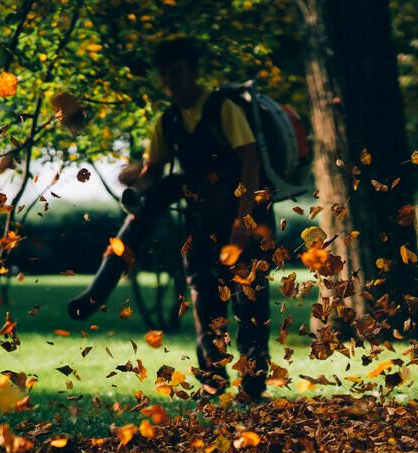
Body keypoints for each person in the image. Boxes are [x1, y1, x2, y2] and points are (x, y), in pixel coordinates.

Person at [67, 37, 273, 401]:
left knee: (248, 301)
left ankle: (253, 386)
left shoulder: (223, 108)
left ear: (193, 71)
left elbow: (250, 162)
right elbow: (152, 174)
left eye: (175, 73)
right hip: (201, 224)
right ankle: (213, 382)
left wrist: (245, 222)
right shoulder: (168, 121)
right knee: (206, 300)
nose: (170, 82)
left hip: (242, 218)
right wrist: (132, 179)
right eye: (164, 76)